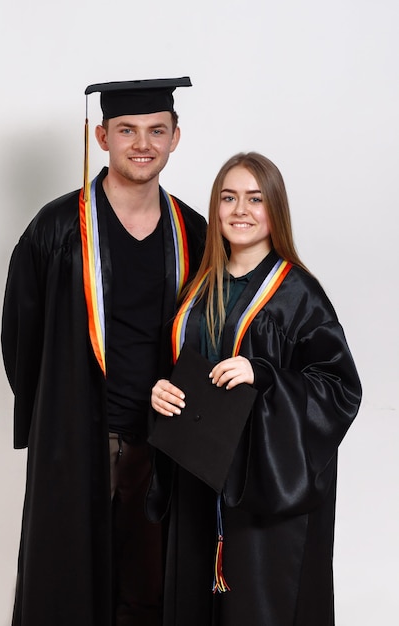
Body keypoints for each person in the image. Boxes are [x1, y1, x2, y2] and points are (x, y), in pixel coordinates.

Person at [1, 77, 207, 626]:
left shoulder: (194, 231)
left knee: (152, 588)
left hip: (163, 441)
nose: (143, 143)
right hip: (78, 437)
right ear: (102, 136)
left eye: (156, 131)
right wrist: (55, 413)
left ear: (175, 138)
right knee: (68, 585)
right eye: (127, 131)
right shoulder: (56, 228)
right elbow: (19, 335)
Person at [150, 152, 362, 626]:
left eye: (255, 199)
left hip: (262, 490)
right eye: (228, 198)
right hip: (196, 478)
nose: (240, 210)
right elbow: (175, 369)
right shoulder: (196, 290)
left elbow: (340, 387)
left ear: (275, 211)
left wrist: (263, 374)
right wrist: (159, 391)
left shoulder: (297, 294)